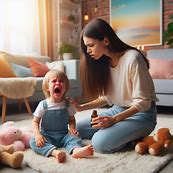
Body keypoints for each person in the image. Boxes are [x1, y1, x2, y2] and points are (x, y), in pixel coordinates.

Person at [71, 18, 158, 154]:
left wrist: (114, 120)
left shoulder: (132, 59)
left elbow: (144, 103)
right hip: (117, 109)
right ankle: (125, 135)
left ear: (106, 41)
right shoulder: (104, 62)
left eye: (91, 45)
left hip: (141, 114)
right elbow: (107, 98)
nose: (87, 51)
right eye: (86, 46)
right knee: (77, 129)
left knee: (99, 143)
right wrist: (81, 107)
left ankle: (133, 136)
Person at [30, 70, 94, 163]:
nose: (58, 83)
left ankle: (75, 151)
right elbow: (35, 121)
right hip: (47, 135)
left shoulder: (67, 104)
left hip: (64, 135)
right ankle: (55, 152)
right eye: (54, 81)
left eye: (61, 81)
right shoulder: (43, 104)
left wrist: (72, 129)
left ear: (65, 88)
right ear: (48, 87)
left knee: (76, 137)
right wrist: (37, 135)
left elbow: (71, 119)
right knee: (33, 141)